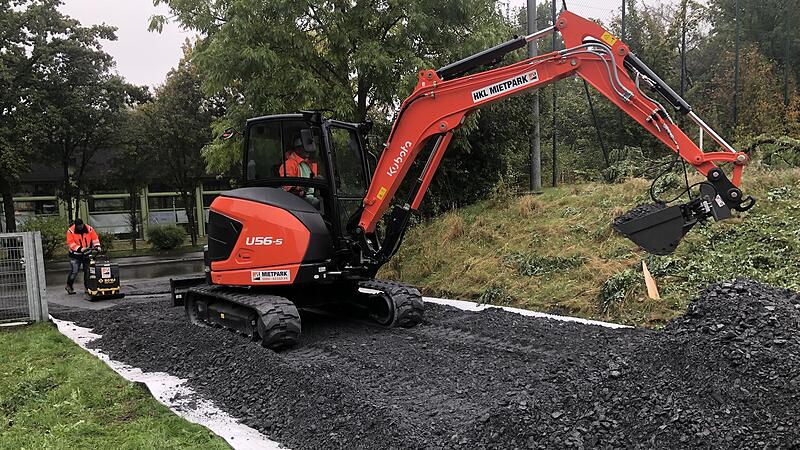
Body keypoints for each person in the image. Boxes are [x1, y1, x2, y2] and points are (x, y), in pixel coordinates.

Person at [65, 218, 101, 294]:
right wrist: (80, 249)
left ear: (83, 224)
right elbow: (71, 243)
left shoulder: (89, 229)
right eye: (78, 226)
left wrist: (97, 246)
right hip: (75, 255)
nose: (80, 227)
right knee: (74, 272)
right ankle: (69, 286)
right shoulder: (70, 231)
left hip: (87, 253)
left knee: (88, 271)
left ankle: (87, 287)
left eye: (81, 225)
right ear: (76, 225)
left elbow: (95, 238)